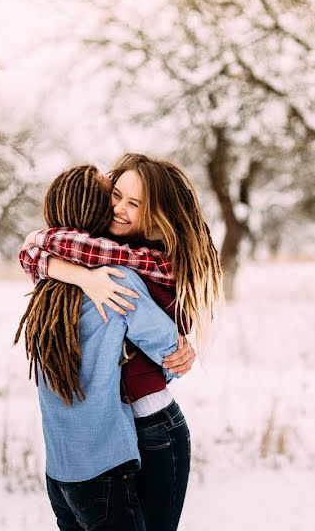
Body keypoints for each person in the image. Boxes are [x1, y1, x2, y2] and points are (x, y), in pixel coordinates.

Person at [19, 154, 222, 531]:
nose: (119, 209)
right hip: (112, 436)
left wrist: (178, 351)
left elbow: (168, 348)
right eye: (115, 196)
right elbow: (36, 250)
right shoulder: (88, 264)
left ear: (158, 213)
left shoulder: (155, 261)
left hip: (151, 422)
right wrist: (83, 277)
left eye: (135, 203)